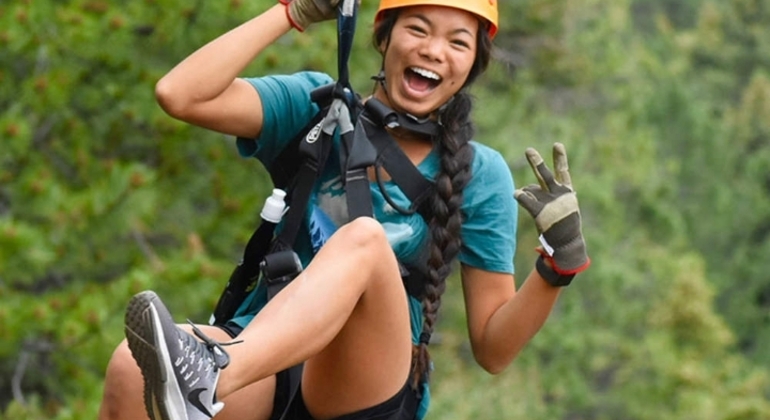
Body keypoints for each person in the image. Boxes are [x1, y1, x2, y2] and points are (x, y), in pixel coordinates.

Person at [97, 0, 591, 419]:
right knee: (129, 366)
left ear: (471, 66)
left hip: (366, 383)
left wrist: (556, 266)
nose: (433, 50)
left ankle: (209, 377)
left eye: (457, 43)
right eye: (417, 29)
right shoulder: (317, 107)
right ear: (384, 37)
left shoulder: (478, 173)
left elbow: (494, 350)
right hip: (265, 358)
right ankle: (208, 377)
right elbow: (178, 94)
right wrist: (293, 12)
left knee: (364, 241)